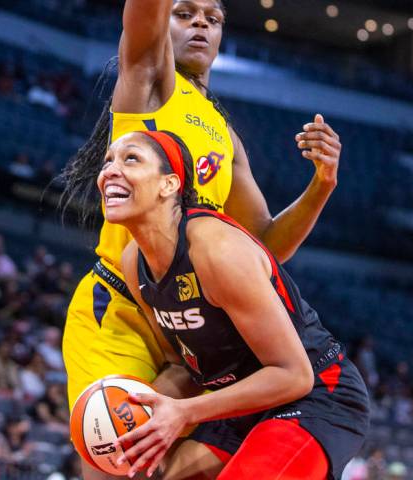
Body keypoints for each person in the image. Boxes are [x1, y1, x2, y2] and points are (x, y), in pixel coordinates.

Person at [60, 1, 342, 477]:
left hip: (194, 323)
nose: (200, 25)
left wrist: (321, 185)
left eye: (212, 19)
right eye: (185, 13)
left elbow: (265, 247)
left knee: (193, 468)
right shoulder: (148, 84)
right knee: (119, 460)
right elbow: (142, 18)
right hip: (122, 308)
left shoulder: (222, 133)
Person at [98, 130, 368, 479]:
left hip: (317, 393)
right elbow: (183, 367)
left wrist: (184, 412)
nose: (109, 171)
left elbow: (294, 376)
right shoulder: (134, 262)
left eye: (130, 158)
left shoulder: (217, 249)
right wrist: (128, 410)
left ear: (169, 184)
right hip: (243, 398)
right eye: (107, 162)